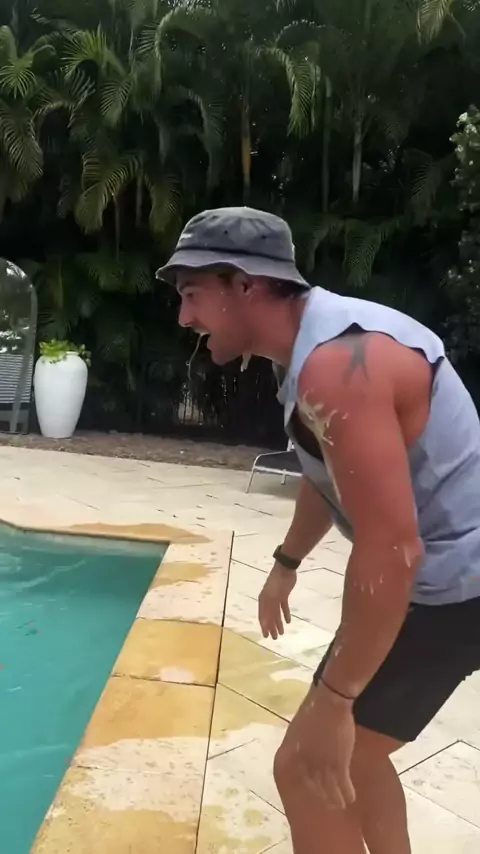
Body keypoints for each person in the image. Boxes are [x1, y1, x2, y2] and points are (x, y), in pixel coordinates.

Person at [157, 206, 480, 854]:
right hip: (440, 581)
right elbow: (331, 472)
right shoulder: (312, 346)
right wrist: (287, 561)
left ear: (244, 285)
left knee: (308, 767)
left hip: (451, 588)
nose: (184, 317)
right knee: (352, 760)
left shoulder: (335, 366)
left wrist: (336, 698)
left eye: (192, 294)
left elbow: (393, 550)